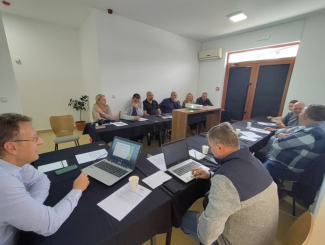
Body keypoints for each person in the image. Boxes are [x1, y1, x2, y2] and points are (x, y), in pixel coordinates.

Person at [181, 122, 278, 245]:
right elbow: (239, 182)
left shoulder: (225, 179)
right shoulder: (253, 160)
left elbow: (208, 235)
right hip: (262, 236)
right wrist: (211, 175)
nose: (211, 150)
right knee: (207, 200)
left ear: (220, 147)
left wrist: (202, 219)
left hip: (239, 240)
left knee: (181, 218)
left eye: (211, 147)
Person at [0, 113, 89, 245]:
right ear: (12, 147)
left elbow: (41, 180)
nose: (41, 142)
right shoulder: (4, 182)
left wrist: (32, 206)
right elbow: (49, 224)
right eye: (35, 139)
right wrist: (77, 190)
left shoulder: (15, 162)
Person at [264, 104, 325, 184]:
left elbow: (277, 143)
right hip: (281, 162)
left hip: (287, 169)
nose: (299, 113)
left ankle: (271, 188)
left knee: (255, 169)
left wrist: (280, 135)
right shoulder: (313, 127)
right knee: (257, 155)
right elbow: (285, 130)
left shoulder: (310, 134)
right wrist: (280, 134)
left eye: (302, 111)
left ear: (305, 116)